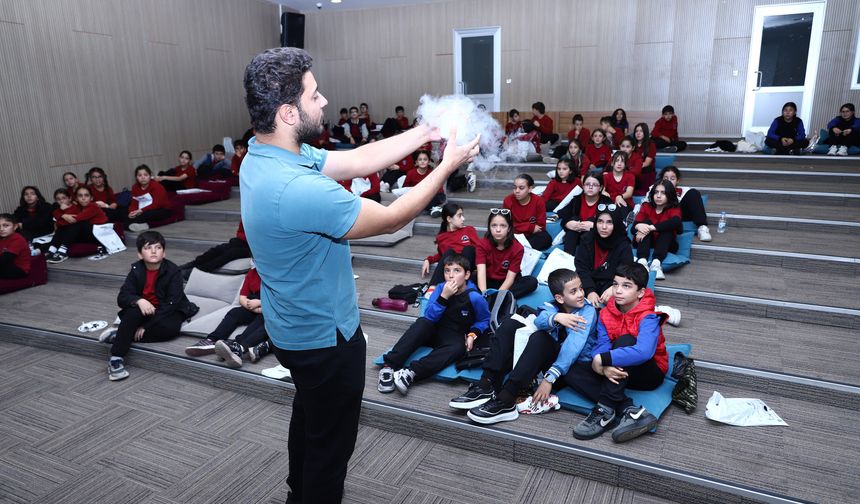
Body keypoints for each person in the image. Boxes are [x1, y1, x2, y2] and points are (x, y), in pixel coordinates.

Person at [240, 47, 479, 504]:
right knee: (331, 448)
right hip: (324, 339)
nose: (325, 100)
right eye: (314, 95)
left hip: (292, 328)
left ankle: (297, 494)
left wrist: (427, 131)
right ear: (289, 112)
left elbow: (358, 160)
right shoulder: (296, 188)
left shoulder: (264, 152)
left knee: (310, 418)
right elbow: (391, 218)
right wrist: (447, 165)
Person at [450, 268, 598, 425]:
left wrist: (549, 379)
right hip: (544, 363)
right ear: (560, 298)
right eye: (574, 291)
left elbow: (572, 348)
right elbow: (539, 320)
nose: (581, 294)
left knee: (540, 337)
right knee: (509, 324)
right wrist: (557, 317)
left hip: (566, 369)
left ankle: (506, 399)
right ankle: (486, 384)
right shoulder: (551, 306)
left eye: (581, 288)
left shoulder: (587, 311)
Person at [566, 263, 667, 443]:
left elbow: (643, 352)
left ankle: (604, 409)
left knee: (626, 341)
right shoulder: (606, 313)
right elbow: (602, 344)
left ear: (641, 292)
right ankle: (631, 411)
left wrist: (603, 359)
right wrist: (602, 368)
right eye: (615, 284)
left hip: (649, 373)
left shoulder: (649, 317)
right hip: (618, 370)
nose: (618, 291)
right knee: (571, 369)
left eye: (626, 286)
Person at [378, 254, 490, 395]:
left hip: (453, 334)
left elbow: (484, 320)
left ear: (467, 275)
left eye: (457, 271)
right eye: (447, 271)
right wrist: (444, 297)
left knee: (458, 348)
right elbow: (429, 315)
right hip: (434, 327)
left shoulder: (474, 297)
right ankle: (389, 366)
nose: (451, 275)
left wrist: (473, 335)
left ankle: (410, 373)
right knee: (422, 323)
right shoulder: (440, 288)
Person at [99, 231, 198, 381]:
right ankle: (116, 359)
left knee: (170, 329)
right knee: (132, 313)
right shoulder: (136, 270)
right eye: (147, 248)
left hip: (170, 310)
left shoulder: (173, 271)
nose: (153, 251)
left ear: (163, 253)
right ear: (140, 254)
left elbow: (171, 304)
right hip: (146, 308)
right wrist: (139, 301)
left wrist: (146, 326)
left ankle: (120, 335)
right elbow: (123, 297)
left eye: (158, 247)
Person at [185, 266, 272, 367]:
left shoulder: (275, 274)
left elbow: (278, 299)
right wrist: (252, 307)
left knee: (262, 320)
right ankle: (212, 340)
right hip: (251, 306)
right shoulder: (252, 273)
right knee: (234, 313)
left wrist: (260, 304)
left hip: (267, 308)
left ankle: (237, 346)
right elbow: (242, 297)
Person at [575, 206, 634, 307]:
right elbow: (581, 268)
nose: (604, 227)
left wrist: (614, 287)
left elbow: (626, 270)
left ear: (616, 223)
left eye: (609, 222)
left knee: (619, 298)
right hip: (588, 281)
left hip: (610, 283)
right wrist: (590, 291)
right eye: (600, 221)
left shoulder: (623, 245)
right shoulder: (587, 239)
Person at [475, 209, 538, 299]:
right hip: (488, 280)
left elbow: (510, 278)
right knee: (470, 280)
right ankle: (503, 297)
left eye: (503, 226)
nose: (498, 230)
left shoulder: (517, 248)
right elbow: (481, 272)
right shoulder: (482, 244)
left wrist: (496, 297)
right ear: (489, 227)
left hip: (507, 282)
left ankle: (501, 297)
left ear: (509, 228)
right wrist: (483, 295)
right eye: (494, 225)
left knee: (531, 282)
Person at [45, 186, 109, 264]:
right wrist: (62, 216)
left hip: (99, 234)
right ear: (76, 198)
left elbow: (74, 219)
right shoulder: (78, 207)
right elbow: (56, 212)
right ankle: (52, 249)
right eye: (80, 196)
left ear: (91, 198)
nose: (83, 198)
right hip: (86, 233)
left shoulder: (93, 207)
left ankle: (63, 250)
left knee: (77, 223)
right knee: (64, 228)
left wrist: (63, 214)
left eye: (86, 195)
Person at [633, 179, 681, 280]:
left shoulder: (674, 208)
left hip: (666, 243)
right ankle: (642, 262)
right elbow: (634, 227)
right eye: (656, 192)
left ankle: (656, 264)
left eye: (663, 193)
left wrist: (651, 228)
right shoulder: (646, 206)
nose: (658, 196)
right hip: (646, 242)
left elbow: (676, 223)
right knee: (645, 223)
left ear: (669, 194)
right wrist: (638, 226)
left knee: (666, 228)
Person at [422, 203, 479, 287]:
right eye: (459, 216)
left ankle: (461, 285)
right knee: (449, 252)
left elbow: (480, 248)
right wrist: (428, 260)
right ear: (449, 219)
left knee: (468, 249)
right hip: (453, 268)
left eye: (462, 215)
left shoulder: (468, 230)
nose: (463, 218)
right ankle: (431, 290)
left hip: (468, 265)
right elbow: (442, 255)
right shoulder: (442, 238)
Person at [557, 172, 612, 255]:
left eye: (594, 185)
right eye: (587, 184)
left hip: (596, 238)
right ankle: (567, 258)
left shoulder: (607, 202)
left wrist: (595, 226)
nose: (590, 187)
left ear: (600, 188)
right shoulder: (577, 200)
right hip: (576, 235)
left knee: (592, 221)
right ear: (583, 186)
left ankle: (585, 262)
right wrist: (568, 224)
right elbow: (565, 218)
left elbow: (612, 223)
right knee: (574, 220)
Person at [178, 220, 250, 279]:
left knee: (231, 253)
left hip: (257, 248)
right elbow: (241, 231)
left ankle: (198, 271)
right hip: (246, 241)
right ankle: (193, 264)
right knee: (219, 249)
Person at [658, 166, 711, 242]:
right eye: (666, 178)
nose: (669, 181)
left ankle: (702, 227)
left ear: (678, 181)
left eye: (672, 179)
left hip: (679, 215)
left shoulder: (684, 191)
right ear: (661, 180)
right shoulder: (654, 189)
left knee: (693, 193)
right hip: (661, 214)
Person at [503, 173, 552, 250]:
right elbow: (506, 225)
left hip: (531, 235)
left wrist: (520, 226)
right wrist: (530, 227)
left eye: (521, 188)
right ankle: (521, 250)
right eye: (515, 187)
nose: (517, 191)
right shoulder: (508, 200)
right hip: (515, 235)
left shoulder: (538, 201)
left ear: (530, 189)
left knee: (546, 238)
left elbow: (541, 227)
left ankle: (519, 250)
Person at [126, 164, 172, 232]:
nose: (143, 177)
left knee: (147, 214)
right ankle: (137, 224)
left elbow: (156, 204)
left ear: (150, 176)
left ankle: (141, 224)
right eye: (140, 175)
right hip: (142, 209)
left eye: (145, 175)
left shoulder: (156, 186)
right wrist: (132, 212)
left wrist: (140, 211)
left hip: (160, 209)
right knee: (126, 213)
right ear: (136, 177)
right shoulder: (135, 187)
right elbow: (134, 202)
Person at [402, 150, 446, 215]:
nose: (422, 161)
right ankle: (433, 209)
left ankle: (429, 208)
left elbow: (440, 189)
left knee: (440, 196)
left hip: (430, 195)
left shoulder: (433, 173)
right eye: (420, 160)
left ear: (428, 162)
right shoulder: (411, 173)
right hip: (417, 195)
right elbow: (404, 188)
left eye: (425, 159)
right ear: (416, 162)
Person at [0, 213, 30, 279]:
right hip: (6, 265)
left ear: (15, 226)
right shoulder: (2, 238)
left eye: (6, 225)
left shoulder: (17, 239)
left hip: (19, 269)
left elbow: (5, 258)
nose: (1, 229)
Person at [632, 123, 657, 194]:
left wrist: (633, 168)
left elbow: (647, 163)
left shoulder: (651, 144)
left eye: (641, 131)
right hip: (634, 171)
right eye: (636, 131)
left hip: (646, 172)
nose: (638, 133)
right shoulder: (632, 144)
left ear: (645, 132)